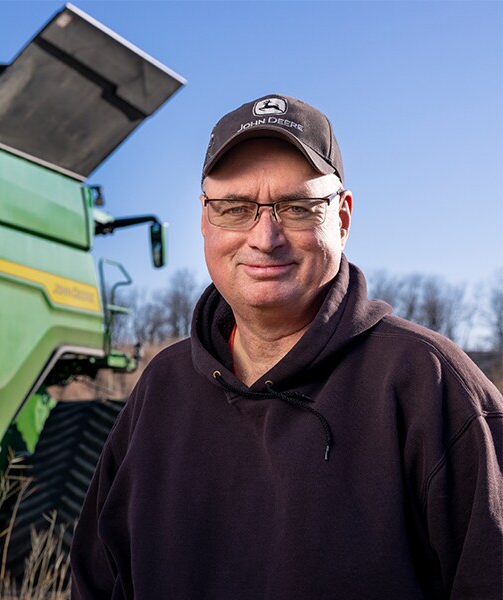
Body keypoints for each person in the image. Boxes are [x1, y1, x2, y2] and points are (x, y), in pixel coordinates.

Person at [70, 94, 503, 599]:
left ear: (342, 217)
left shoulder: (429, 384)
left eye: (298, 207)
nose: (265, 236)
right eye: (235, 208)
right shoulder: (161, 388)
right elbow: (99, 581)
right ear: (205, 221)